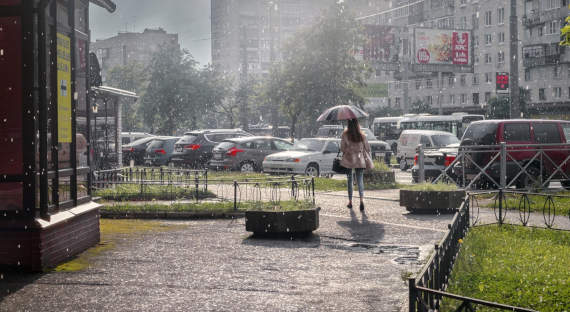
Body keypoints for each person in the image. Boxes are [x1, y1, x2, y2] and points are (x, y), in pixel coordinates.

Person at [340, 118, 371, 211]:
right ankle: (361, 200)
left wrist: (348, 150)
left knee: (349, 180)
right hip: (359, 159)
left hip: (349, 159)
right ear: (357, 124)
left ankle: (350, 201)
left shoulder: (345, 135)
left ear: (348, 124)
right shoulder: (362, 135)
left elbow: (342, 148)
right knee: (360, 180)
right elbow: (368, 148)